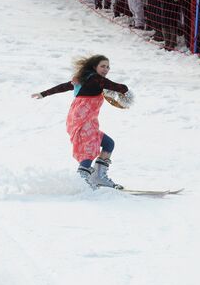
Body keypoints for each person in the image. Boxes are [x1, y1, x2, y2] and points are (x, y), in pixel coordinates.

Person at [32, 55, 129, 188]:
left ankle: (99, 177)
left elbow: (64, 86)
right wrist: (126, 93)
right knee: (90, 146)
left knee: (108, 144)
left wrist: (43, 94)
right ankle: (81, 179)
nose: (106, 69)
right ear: (94, 67)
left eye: (108, 67)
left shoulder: (86, 78)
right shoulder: (96, 79)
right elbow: (118, 87)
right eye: (102, 66)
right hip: (81, 119)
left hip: (83, 119)